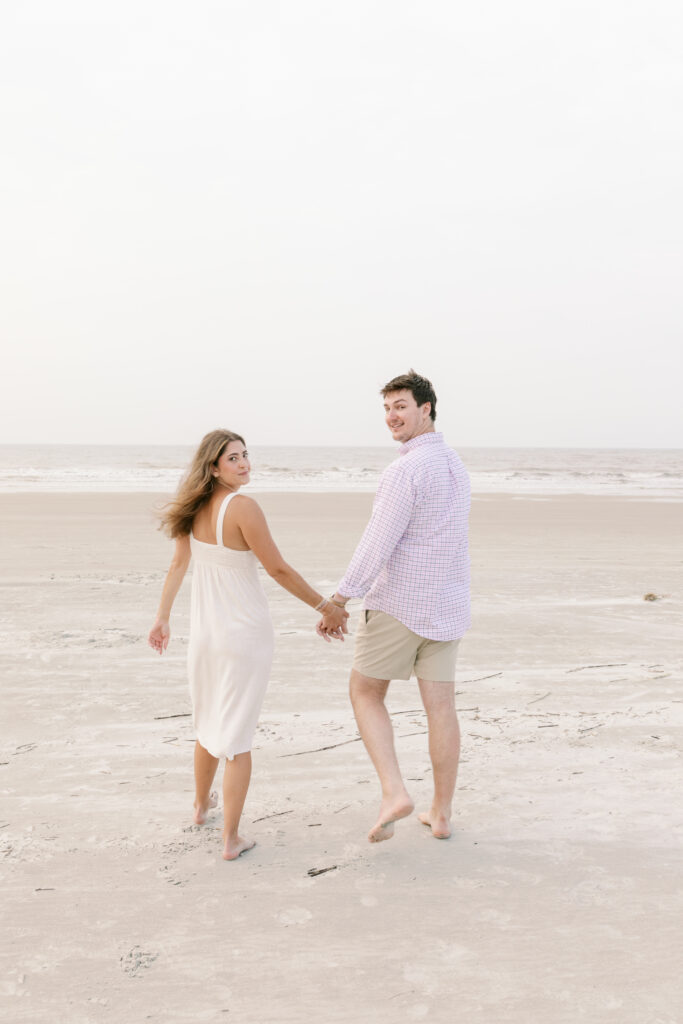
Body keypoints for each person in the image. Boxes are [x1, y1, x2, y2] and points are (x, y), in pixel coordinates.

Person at [148, 429, 348, 861]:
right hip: (243, 635)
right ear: (214, 467)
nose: (244, 464)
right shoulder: (243, 508)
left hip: (205, 636)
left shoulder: (192, 508)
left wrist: (163, 617)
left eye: (245, 455)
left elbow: (179, 564)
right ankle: (231, 840)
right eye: (233, 458)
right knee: (236, 737)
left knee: (207, 724)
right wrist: (325, 606)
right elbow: (276, 568)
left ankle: (202, 808)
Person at [319, 370, 470, 843]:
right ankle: (440, 814)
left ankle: (394, 793)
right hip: (447, 605)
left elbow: (378, 542)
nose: (392, 416)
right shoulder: (454, 465)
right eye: (387, 408)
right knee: (440, 707)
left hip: (402, 605)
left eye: (401, 406)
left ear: (427, 409)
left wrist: (340, 598)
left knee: (365, 692)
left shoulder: (404, 470)